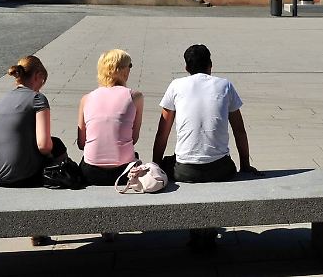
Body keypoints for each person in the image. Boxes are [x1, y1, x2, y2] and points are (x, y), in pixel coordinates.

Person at [153, 44, 257, 249]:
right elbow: (239, 130)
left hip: (184, 170)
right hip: (221, 169)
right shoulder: (225, 86)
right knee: (216, 161)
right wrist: (245, 164)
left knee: (170, 163)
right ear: (210, 65)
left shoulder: (176, 85)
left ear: (186, 68)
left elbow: (162, 133)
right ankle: (207, 230)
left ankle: (197, 231)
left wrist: (156, 165)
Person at [0, 55, 66, 246]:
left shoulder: (4, 98)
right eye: (42, 81)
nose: (41, 86)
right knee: (57, 147)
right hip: (15, 172)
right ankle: (39, 229)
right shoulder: (37, 98)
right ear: (38, 76)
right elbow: (44, 145)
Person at [77, 49, 145, 186]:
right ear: (123, 70)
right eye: (130, 66)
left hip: (90, 172)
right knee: (134, 155)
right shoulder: (135, 97)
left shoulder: (86, 99)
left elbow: (81, 143)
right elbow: (134, 138)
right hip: (124, 172)